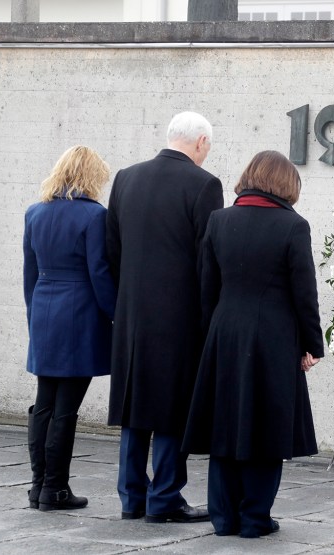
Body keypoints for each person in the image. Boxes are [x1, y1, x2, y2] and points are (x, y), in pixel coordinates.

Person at [182, 150, 324, 538]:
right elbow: (304, 293)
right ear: (286, 184)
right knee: (267, 427)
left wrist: (212, 335)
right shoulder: (293, 226)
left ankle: (224, 518)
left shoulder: (219, 220)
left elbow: (206, 287)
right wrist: (312, 344)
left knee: (225, 427)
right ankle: (255, 518)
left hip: (224, 333)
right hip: (274, 338)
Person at [105, 111, 224, 523]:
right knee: (174, 410)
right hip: (181, 318)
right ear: (200, 143)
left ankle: (131, 497)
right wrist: (210, 319)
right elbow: (207, 260)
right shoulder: (204, 184)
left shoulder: (125, 178)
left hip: (132, 314)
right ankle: (165, 497)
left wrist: (127, 300)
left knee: (134, 408)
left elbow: (112, 251)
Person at [23, 145, 116, 511]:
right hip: (80, 315)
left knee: (44, 401)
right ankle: (55, 488)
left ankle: (38, 487)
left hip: (45, 310)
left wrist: (35, 317)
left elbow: (29, 273)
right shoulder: (94, 216)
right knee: (66, 406)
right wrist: (116, 314)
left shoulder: (35, 212)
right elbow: (99, 273)